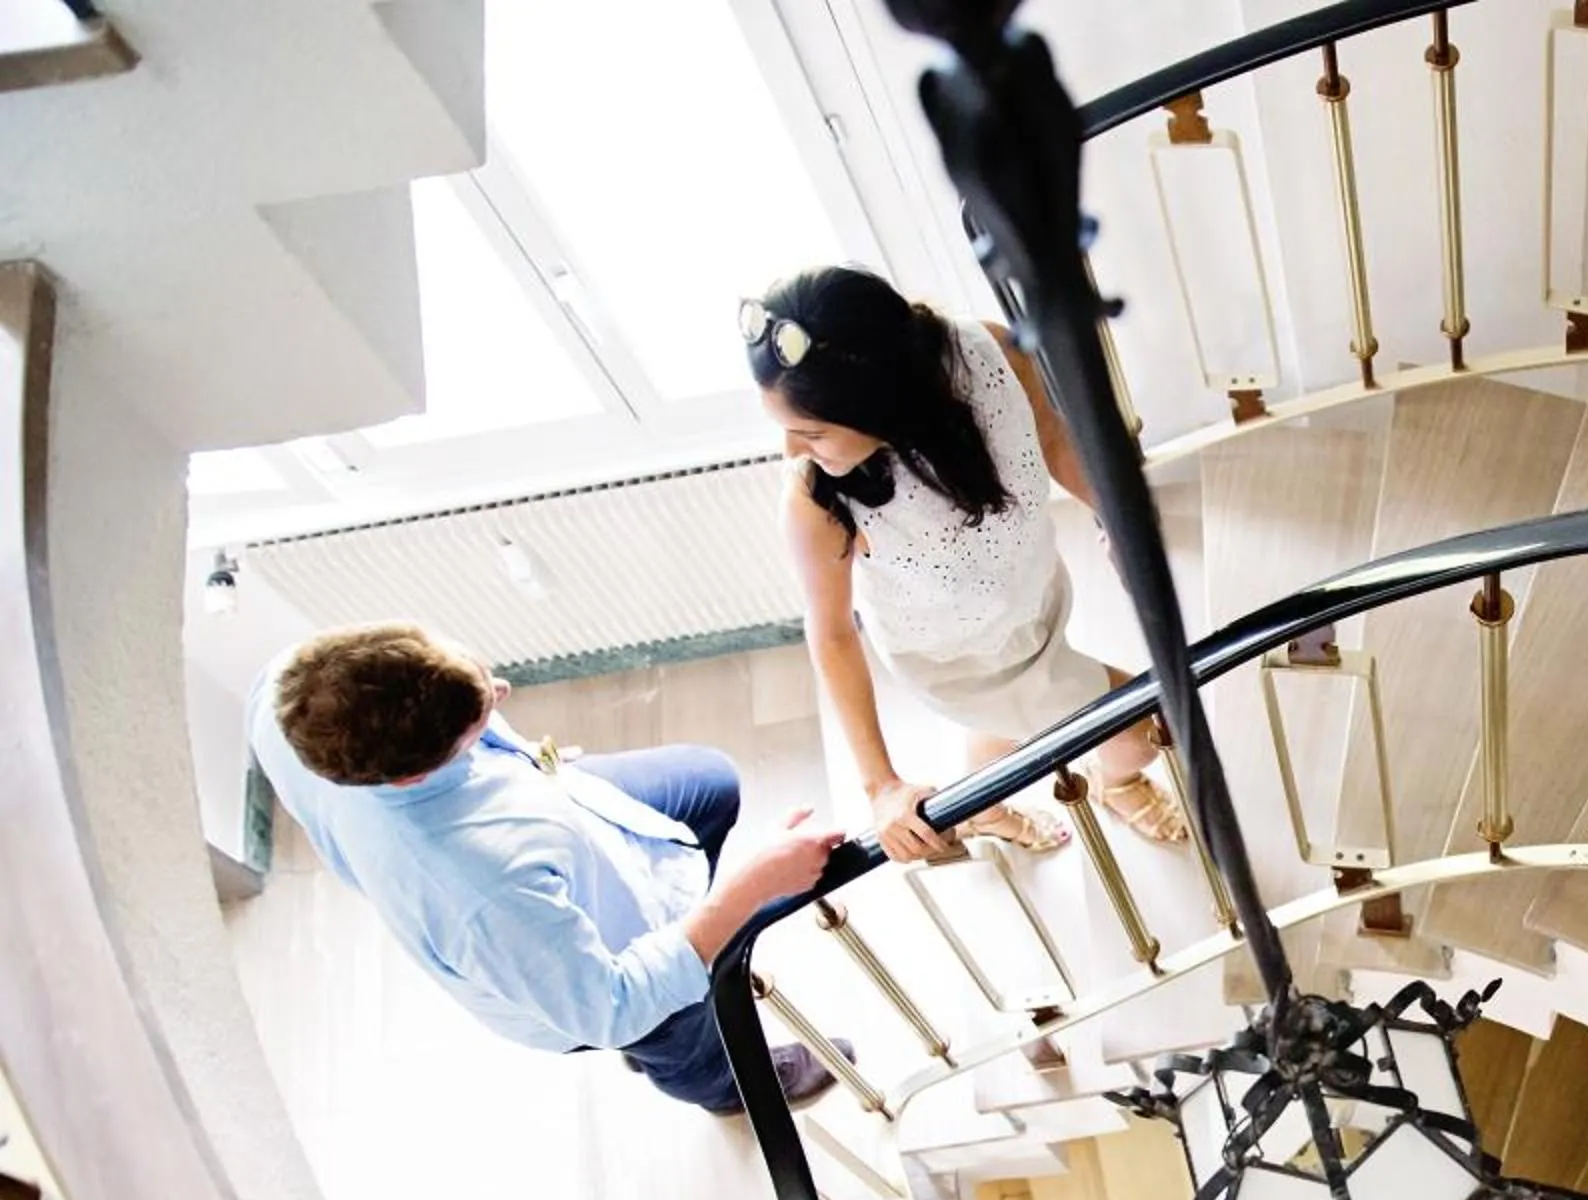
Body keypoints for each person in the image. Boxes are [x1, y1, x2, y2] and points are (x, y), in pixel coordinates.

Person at [247, 622, 850, 1116]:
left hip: (560, 811)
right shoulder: (477, 888)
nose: (503, 690)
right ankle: (721, 1085)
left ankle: (689, 952)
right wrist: (750, 888)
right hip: (599, 985)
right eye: (481, 720)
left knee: (708, 784)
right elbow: (611, 1007)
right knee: (672, 1023)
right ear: (412, 775)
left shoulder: (290, 686)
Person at [745, 264, 1189, 864]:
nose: (791, 450)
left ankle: (984, 806)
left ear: (881, 404)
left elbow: (1053, 440)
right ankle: (1121, 781)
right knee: (1144, 729)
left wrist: (1115, 517)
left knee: (1005, 726)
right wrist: (881, 786)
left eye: (812, 432)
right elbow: (830, 633)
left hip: (1030, 599)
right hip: (955, 660)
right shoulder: (816, 499)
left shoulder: (990, 355)